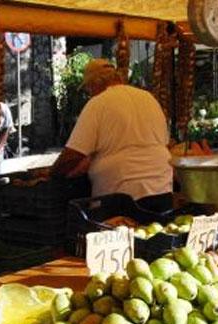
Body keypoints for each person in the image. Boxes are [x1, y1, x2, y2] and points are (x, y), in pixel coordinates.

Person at [50, 59, 173, 213]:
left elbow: (74, 153)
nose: (89, 93)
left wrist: (53, 174)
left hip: (122, 191)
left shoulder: (98, 103)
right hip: (161, 184)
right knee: (158, 234)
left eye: (88, 89)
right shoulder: (148, 97)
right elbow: (156, 142)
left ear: (95, 83)